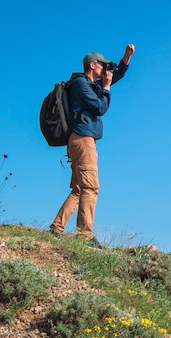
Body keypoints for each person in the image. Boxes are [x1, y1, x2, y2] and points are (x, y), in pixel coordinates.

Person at [50, 43, 135, 248]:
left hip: (81, 139)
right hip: (83, 138)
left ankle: (56, 228)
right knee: (91, 187)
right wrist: (106, 88)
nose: (105, 70)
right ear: (93, 65)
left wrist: (126, 57)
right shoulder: (81, 85)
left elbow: (117, 75)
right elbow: (99, 108)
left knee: (79, 189)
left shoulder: (89, 85)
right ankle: (85, 236)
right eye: (102, 66)